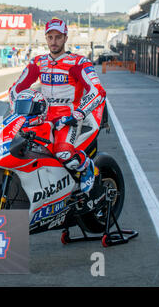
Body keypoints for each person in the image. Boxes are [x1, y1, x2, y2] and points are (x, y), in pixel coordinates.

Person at [9, 18, 106, 194]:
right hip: (42, 118)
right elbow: (16, 88)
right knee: (21, 149)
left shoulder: (78, 62)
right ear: (46, 38)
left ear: (65, 38)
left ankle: (86, 167)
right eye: (50, 37)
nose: (54, 41)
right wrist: (16, 108)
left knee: (63, 154)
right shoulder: (38, 62)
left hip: (68, 118)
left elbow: (97, 90)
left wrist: (80, 112)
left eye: (58, 37)